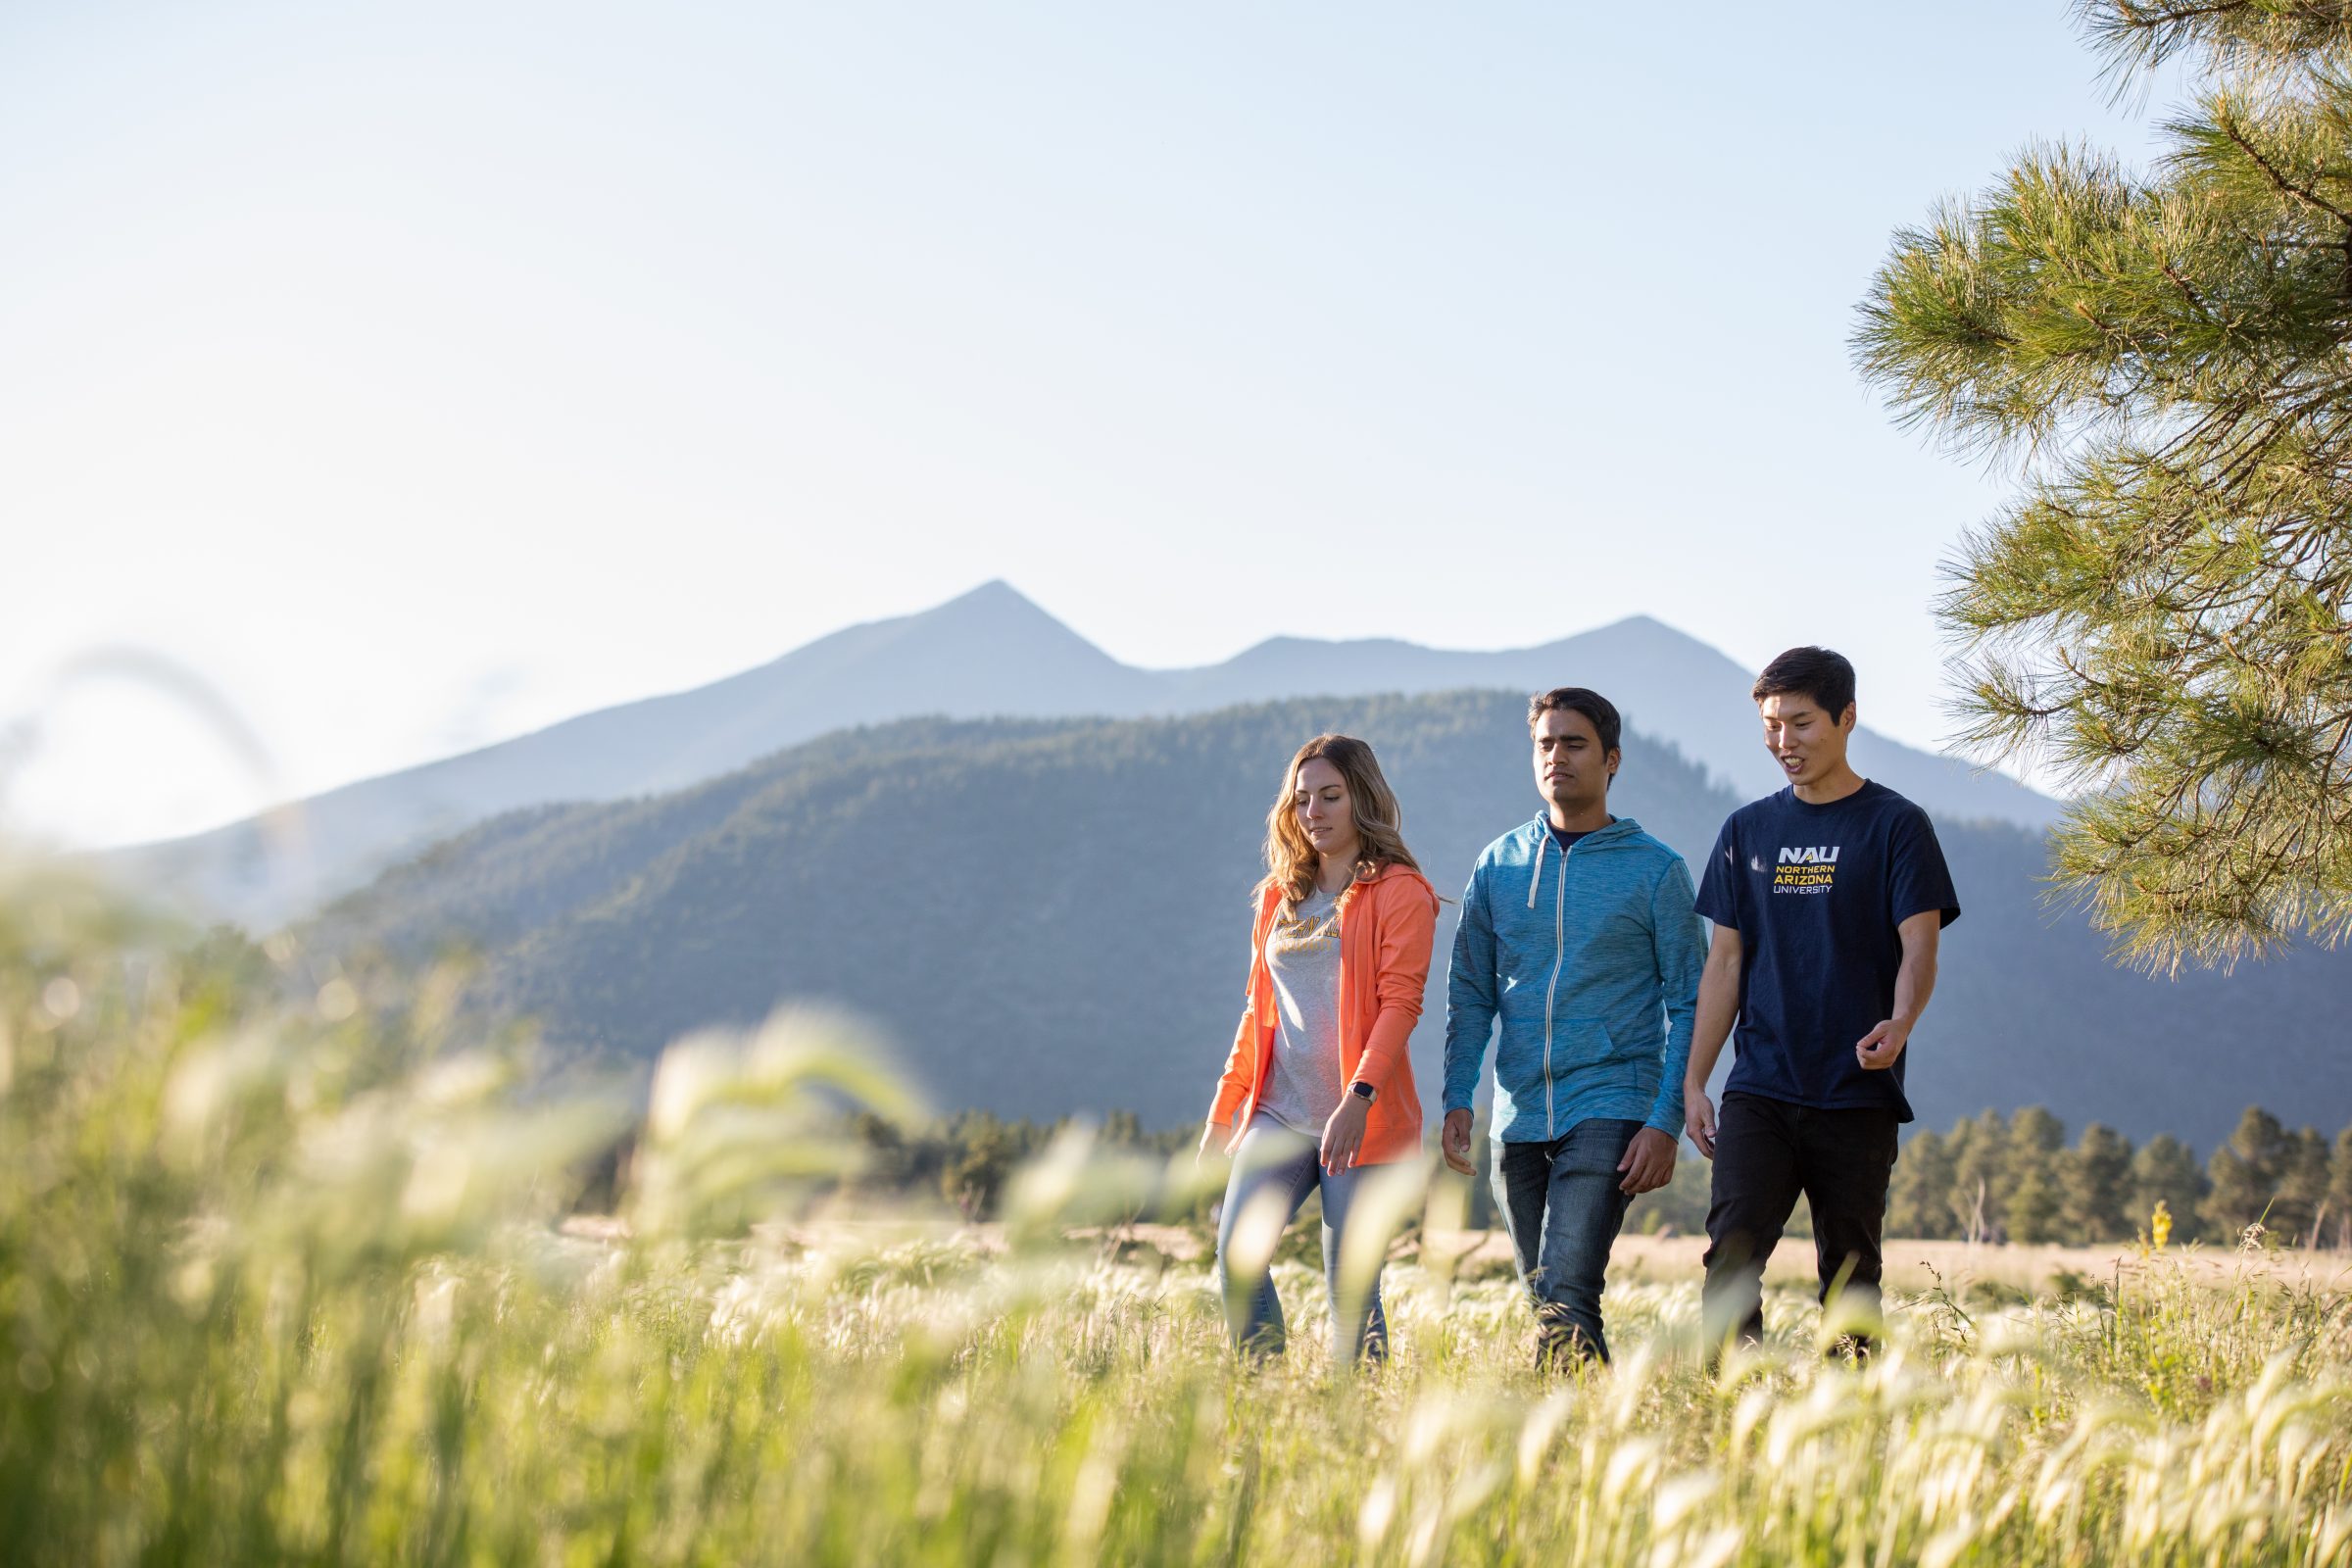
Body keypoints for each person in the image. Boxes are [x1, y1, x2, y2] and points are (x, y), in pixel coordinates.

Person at [1684, 646, 1961, 1355]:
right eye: (1772, 726)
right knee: (1731, 1260)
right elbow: (1724, 964)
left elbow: (1920, 946)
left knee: (1850, 1273)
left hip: (1856, 1087)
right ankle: (1728, 1414)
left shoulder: (1895, 826)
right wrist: (1694, 1081)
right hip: (1761, 1086)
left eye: (1801, 725)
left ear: (1847, 718)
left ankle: (1848, 1428)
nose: (1784, 743)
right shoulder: (1747, 831)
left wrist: (1900, 1025)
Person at [1441, 687, 1705, 1366]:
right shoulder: (1497, 865)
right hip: (1518, 1114)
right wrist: (1457, 1098)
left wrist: (1664, 1119)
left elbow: (1692, 1003)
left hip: (1613, 1102)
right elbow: (1470, 992)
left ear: (1612, 759)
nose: (1557, 756)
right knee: (1545, 1295)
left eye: (1575, 743)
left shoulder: (1656, 872)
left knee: (1565, 1291)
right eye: (1545, 743)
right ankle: (1585, 1446)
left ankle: (1560, 1442)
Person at [1200, 733, 1438, 1364]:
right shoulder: (1279, 896)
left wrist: (1359, 1097)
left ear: (1362, 798)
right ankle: (1267, 1401)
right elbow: (1257, 1011)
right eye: (1303, 799)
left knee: (1350, 1292)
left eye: (1330, 796)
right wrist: (1224, 1116)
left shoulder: (1400, 891)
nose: (1315, 812)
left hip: (1360, 1118)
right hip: (1278, 1111)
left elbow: (1401, 1005)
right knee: (1237, 1261)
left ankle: (1355, 1426)